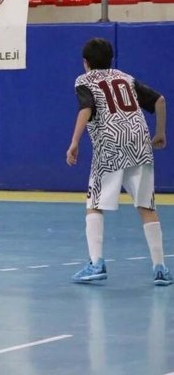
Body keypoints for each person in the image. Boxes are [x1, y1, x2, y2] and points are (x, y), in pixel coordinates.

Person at [66, 37, 171, 286]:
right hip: (140, 142)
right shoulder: (125, 78)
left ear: (85, 62)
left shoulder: (84, 80)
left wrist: (74, 141)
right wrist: (160, 133)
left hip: (110, 144)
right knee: (146, 206)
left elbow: (86, 108)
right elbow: (160, 100)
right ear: (111, 59)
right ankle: (160, 268)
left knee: (94, 204)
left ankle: (96, 263)